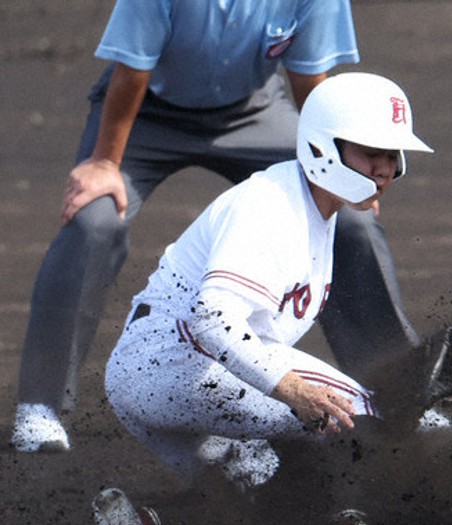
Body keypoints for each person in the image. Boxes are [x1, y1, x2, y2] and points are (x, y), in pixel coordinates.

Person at [90, 73, 452, 525]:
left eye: (393, 156)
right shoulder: (269, 208)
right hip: (176, 364)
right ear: (324, 147)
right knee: (380, 417)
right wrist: (292, 390)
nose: (387, 168)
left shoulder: (315, 209)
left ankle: (143, 521)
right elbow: (212, 318)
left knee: (265, 503)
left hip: (155, 378)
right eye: (372, 153)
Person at [12, 0, 427, 453]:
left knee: (353, 225)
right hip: (146, 108)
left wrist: (349, 177)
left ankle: (396, 388)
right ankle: (41, 404)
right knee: (93, 222)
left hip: (254, 112)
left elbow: (313, 85)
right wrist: (105, 162)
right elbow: (131, 68)